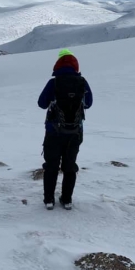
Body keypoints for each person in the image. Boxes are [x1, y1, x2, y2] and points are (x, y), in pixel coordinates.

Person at [38, 49, 93, 210]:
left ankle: (49, 200)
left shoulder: (53, 83)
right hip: (75, 132)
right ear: (76, 66)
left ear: (57, 65)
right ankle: (67, 200)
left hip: (53, 131)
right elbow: (88, 104)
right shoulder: (82, 82)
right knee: (70, 166)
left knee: (51, 165)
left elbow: (41, 103)